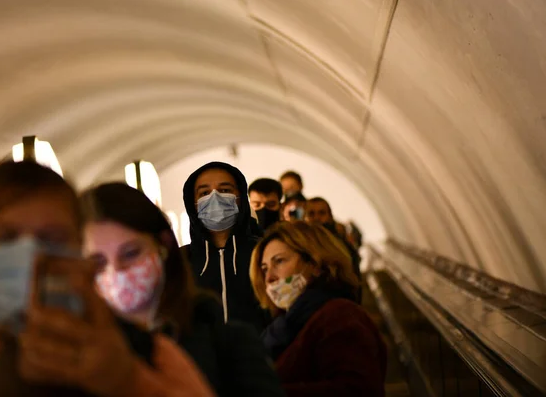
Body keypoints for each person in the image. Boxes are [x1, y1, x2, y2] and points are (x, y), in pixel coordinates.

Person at [0, 160, 214, 397]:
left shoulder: (149, 354)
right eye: (5, 238)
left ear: (81, 255)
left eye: (51, 239)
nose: (32, 259)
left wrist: (130, 383)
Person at [80, 182, 284, 397]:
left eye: (131, 253)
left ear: (164, 245)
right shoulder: (77, 355)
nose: (116, 271)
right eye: (98, 262)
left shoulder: (231, 343)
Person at [250, 222, 386, 397]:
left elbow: (358, 390)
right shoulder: (288, 325)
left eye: (279, 261)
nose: (269, 277)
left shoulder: (340, 316)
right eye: (265, 268)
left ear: (315, 264)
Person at [181, 162, 269, 332]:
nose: (215, 197)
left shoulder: (264, 251)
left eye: (225, 190)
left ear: (241, 197)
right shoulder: (180, 260)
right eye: (204, 193)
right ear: (193, 203)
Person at [305, 197, 362, 282]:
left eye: (322, 213)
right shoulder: (303, 244)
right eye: (311, 213)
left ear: (330, 215)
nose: (317, 218)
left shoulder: (341, 243)